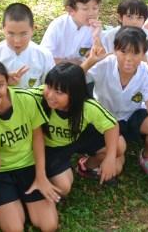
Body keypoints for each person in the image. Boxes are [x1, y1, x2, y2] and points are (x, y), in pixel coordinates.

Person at [0, 58, 59, 232]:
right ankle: (12, 203)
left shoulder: (25, 99)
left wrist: (40, 176)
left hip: (28, 165)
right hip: (0, 172)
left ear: (7, 83)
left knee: (48, 225)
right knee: (14, 229)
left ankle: (27, 200)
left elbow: (37, 136)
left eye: (0, 85)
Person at [83, 27, 148, 180]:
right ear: (115, 50)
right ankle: (90, 161)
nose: (129, 58)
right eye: (123, 52)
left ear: (144, 54)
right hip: (103, 119)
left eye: (135, 53)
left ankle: (147, 156)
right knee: (114, 169)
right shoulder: (105, 64)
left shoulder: (147, 72)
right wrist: (90, 61)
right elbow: (71, 78)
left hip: (130, 116)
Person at [33, 62, 123, 195]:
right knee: (63, 188)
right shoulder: (37, 96)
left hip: (77, 137)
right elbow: (14, 98)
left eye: (58, 92)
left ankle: (87, 166)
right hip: (51, 148)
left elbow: (112, 125)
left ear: (75, 94)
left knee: (119, 147)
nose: (50, 95)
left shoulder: (87, 106)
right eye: (49, 86)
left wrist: (110, 158)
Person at [0, 2, 55, 90]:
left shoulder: (44, 56)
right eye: (11, 34)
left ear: (32, 30)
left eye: (23, 34)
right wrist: (4, 82)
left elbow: (50, 88)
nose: (17, 41)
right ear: (3, 29)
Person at [41, 0, 103, 65]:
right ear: (71, 11)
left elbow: (99, 57)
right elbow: (43, 57)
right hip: (55, 71)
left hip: (81, 71)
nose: (91, 13)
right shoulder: (58, 25)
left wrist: (96, 38)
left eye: (95, 8)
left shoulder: (95, 28)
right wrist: (70, 63)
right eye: (85, 9)